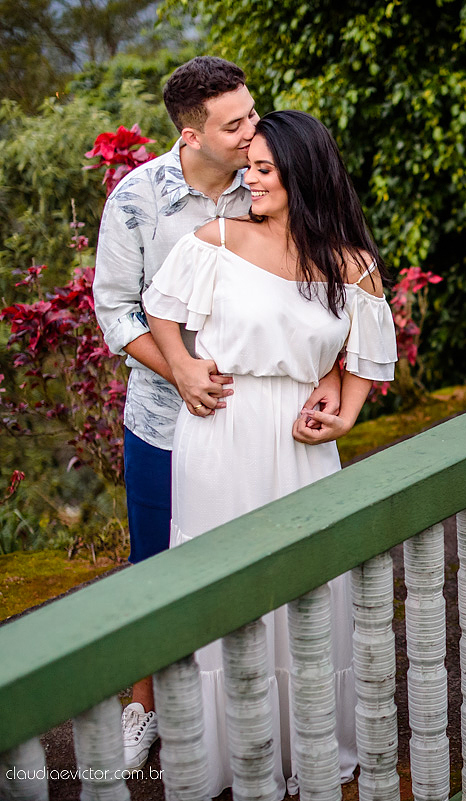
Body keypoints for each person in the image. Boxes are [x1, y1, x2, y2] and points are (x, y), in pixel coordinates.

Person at [94, 56, 342, 770]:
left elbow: (325, 290)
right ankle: (145, 707)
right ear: (191, 134)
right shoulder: (137, 199)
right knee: (160, 567)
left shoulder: (269, 178)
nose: (250, 132)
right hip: (165, 420)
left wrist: (329, 373)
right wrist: (178, 365)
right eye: (234, 124)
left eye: (252, 113)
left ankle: (265, 714)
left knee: (274, 568)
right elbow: (115, 307)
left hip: (265, 429)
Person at [143, 109, 397, 799]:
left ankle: (309, 744)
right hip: (220, 435)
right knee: (222, 590)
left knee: (310, 589)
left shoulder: (351, 263)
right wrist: (183, 369)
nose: (248, 180)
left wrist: (342, 410)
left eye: (263, 169)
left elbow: (369, 357)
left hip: (301, 451)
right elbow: (157, 309)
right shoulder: (216, 239)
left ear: (303, 174)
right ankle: (224, 757)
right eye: (246, 167)